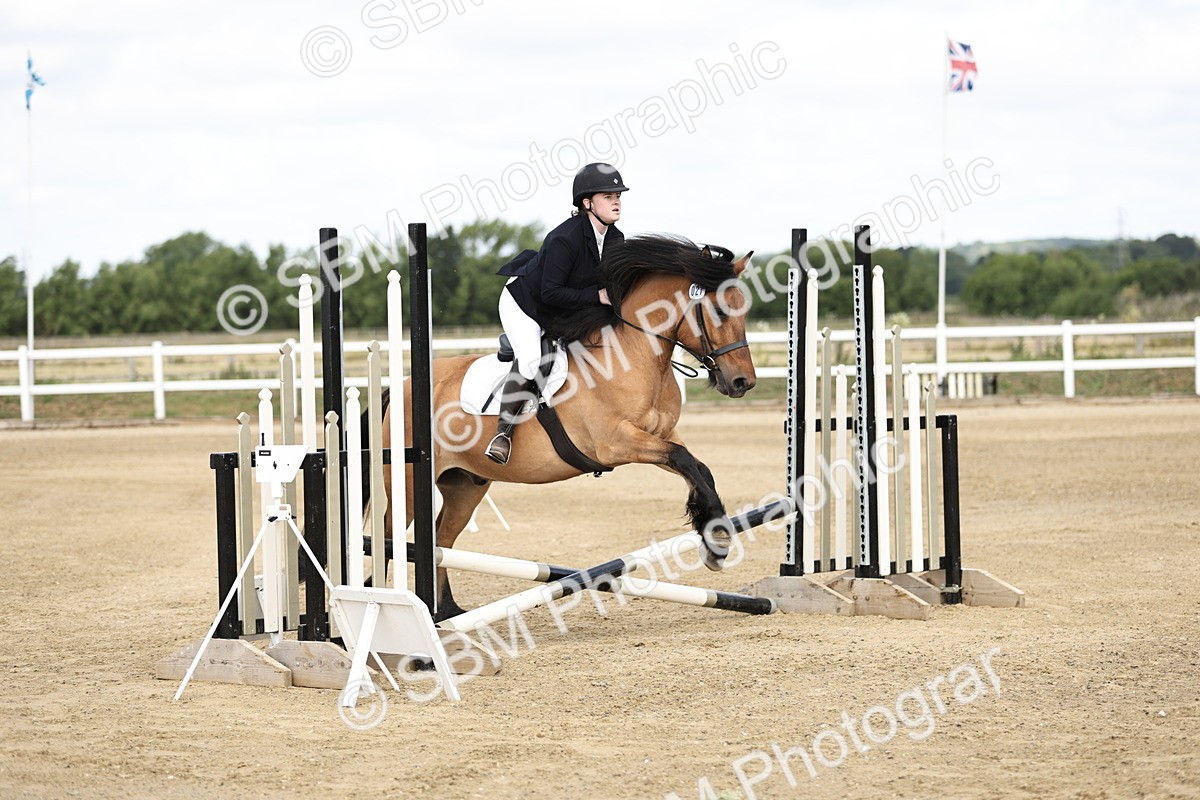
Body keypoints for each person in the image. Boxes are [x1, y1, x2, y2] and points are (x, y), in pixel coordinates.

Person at [484, 162, 629, 465]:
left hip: (565, 307)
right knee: (534, 360)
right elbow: (550, 292)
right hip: (526, 304)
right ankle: (503, 434)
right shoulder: (566, 238)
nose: (616, 201)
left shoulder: (616, 239)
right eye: (608, 196)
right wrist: (597, 296)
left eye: (618, 195)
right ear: (587, 203)